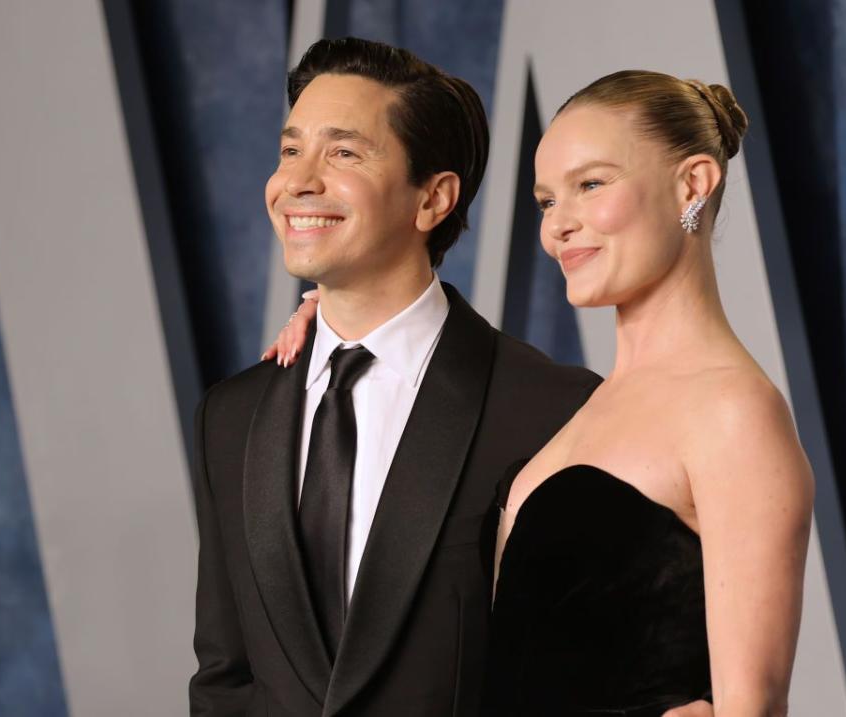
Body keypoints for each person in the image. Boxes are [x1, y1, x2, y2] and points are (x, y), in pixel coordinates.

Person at [270, 70, 814, 716]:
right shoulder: (576, 406)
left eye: (590, 185)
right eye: (546, 201)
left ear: (692, 183)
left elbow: (752, 707)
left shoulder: (733, 413)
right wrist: (337, 314)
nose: (559, 226)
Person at [189, 37, 600, 717]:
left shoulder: (553, 411)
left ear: (434, 198)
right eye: (291, 149)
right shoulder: (230, 417)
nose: (297, 180)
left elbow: (587, 680)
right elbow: (224, 681)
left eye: (343, 152)